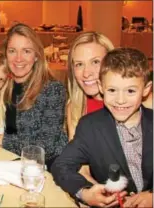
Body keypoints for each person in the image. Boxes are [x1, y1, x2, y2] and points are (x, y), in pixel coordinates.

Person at [51, 48, 153, 208]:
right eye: (112, 90)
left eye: (130, 91)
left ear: (146, 90)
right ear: (101, 87)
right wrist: (85, 193)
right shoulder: (90, 127)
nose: (120, 100)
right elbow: (61, 166)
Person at [0, 23, 68, 170]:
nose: (18, 58)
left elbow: (45, 146)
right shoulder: (7, 86)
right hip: (15, 163)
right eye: (12, 51)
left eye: (26, 51)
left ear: (37, 55)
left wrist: (1, 140)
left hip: (50, 168)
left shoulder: (53, 90)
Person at [67, 31, 114, 140]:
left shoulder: (139, 102)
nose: (86, 73)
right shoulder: (76, 107)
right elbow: (74, 155)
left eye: (95, 62)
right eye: (79, 64)